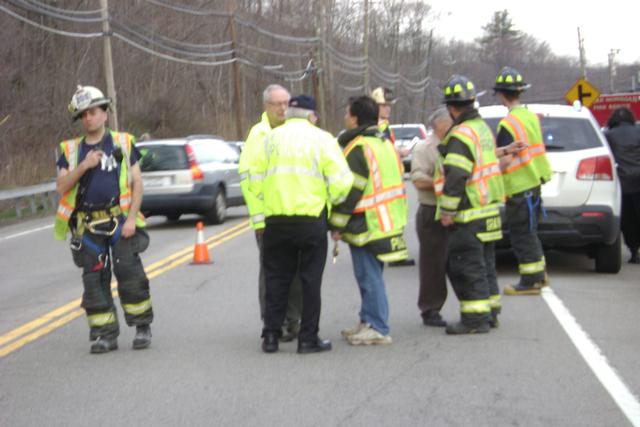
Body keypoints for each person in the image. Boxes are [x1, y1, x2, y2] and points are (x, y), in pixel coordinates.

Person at [250, 95, 353, 354]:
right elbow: (342, 182)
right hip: (310, 220)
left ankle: (270, 337)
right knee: (309, 282)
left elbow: (254, 181)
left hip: (276, 220)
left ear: (289, 113)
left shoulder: (270, 139)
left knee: (276, 280)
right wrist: (330, 199)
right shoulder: (322, 139)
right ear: (312, 116)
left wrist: (272, 198)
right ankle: (308, 338)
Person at [54, 85, 153, 353]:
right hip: (87, 227)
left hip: (120, 222)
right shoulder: (69, 150)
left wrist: (131, 219)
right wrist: (84, 165)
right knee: (94, 282)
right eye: (83, 115)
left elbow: (137, 183)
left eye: (93, 112)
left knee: (130, 275)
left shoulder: (123, 142)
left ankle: (142, 326)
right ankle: (104, 334)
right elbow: (62, 187)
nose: (88, 118)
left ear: (104, 114)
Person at [329, 96, 408, 345]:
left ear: (354, 118)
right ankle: (367, 320)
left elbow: (350, 191)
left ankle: (377, 326)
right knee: (371, 274)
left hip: (368, 222)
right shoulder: (384, 143)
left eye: (347, 114)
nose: (344, 118)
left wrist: (337, 225)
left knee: (368, 276)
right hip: (387, 219)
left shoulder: (359, 147)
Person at [435, 75, 505, 334]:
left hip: (470, 213)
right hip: (489, 209)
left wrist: (447, 210)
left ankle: (475, 320)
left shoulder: (461, 134)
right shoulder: (482, 129)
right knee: (486, 265)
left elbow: (456, 175)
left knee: (467, 266)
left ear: (452, 109)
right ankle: (491, 312)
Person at [239, 84, 303, 341]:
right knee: (272, 272)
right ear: (266, 106)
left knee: (297, 271)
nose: (282, 108)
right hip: (268, 218)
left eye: (286, 102)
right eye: (277, 103)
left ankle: (294, 320)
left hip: (295, 215)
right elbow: (248, 179)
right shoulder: (259, 135)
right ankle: (272, 322)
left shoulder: (296, 131)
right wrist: (258, 219)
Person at [493, 67, 552, 295]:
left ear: (501, 94)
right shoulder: (529, 117)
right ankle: (539, 275)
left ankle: (530, 281)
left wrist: (490, 172)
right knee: (530, 232)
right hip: (533, 182)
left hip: (519, 187)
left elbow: (507, 159)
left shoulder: (508, 123)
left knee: (522, 236)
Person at [411, 107, 452, 327]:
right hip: (431, 211)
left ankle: (473, 305)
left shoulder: (456, 145)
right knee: (433, 264)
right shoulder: (425, 148)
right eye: (450, 121)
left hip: (455, 209)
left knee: (458, 260)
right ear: (440, 125)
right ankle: (430, 309)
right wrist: (441, 183)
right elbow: (417, 178)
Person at [371, 87, 415, 267]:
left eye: (389, 105)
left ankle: (394, 251)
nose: (388, 109)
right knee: (390, 217)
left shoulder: (384, 125)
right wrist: (399, 152)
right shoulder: (377, 126)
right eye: (383, 105)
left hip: (393, 178)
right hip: (387, 179)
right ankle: (393, 253)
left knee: (396, 215)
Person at [605, 107, 640, 263]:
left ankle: (634, 251)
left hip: (622, 183)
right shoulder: (639, 131)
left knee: (628, 219)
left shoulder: (609, 135)